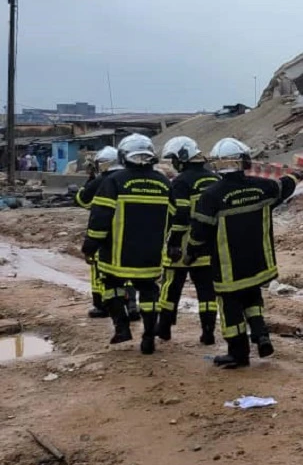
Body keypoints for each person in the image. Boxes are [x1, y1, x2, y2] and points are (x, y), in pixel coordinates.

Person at [186, 138, 299, 369]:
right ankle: (261, 334)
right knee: (252, 296)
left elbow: (199, 233)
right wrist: (295, 175)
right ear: (245, 161)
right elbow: (285, 186)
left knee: (230, 308)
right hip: (258, 261)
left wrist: (191, 253)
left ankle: (238, 353)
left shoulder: (211, 196)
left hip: (228, 265)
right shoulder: (263, 187)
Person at [81, 134, 171, 354]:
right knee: (149, 293)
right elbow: (177, 217)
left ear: (123, 156)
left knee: (110, 286)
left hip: (116, 254)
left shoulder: (114, 181)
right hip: (150, 255)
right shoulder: (163, 182)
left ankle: (121, 327)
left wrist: (90, 245)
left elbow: (100, 217)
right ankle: (149, 337)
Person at [157, 136, 221, 345]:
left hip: (183, 246)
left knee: (171, 287)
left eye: (174, 159)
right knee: (206, 292)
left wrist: (174, 242)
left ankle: (164, 328)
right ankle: (208, 332)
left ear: (182, 158)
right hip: (209, 246)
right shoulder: (214, 179)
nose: (173, 164)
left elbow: (181, 214)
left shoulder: (182, 182)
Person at [75, 146, 121, 319]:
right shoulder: (126, 178)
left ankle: (101, 305)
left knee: (98, 269)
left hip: (103, 230)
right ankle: (130, 305)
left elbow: (82, 201)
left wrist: (90, 178)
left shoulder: (101, 180)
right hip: (127, 231)